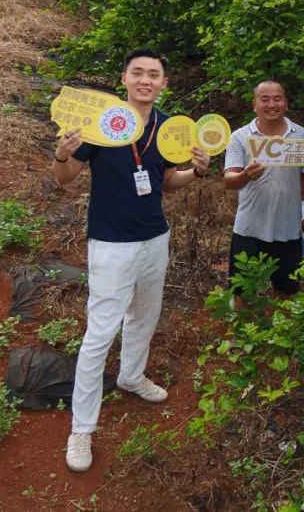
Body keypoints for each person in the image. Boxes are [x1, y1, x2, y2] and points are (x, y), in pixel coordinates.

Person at [52, 49, 210, 473]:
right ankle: (82, 428)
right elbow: (64, 179)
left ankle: (131, 375)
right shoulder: (100, 123)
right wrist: (63, 154)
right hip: (111, 244)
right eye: (137, 72)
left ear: (164, 84)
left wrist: (196, 171)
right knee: (100, 333)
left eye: (153, 74)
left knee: (145, 314)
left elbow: (166, 182)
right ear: (124, 78)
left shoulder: (168, 128)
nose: (145, 80)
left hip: (155, 237)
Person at [223, 80, 304, 298]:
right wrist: (246, 175)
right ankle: (247, 322)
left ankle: (278, 322)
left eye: (277, 99)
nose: (272, 105)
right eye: (264, 99)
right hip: (249, 228)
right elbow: (229, 181)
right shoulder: (240, 137)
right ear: (254, 105)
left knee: (286, 293)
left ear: (286, 103)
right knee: (243, 293)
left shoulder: (300, 135)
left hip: (289, 228)